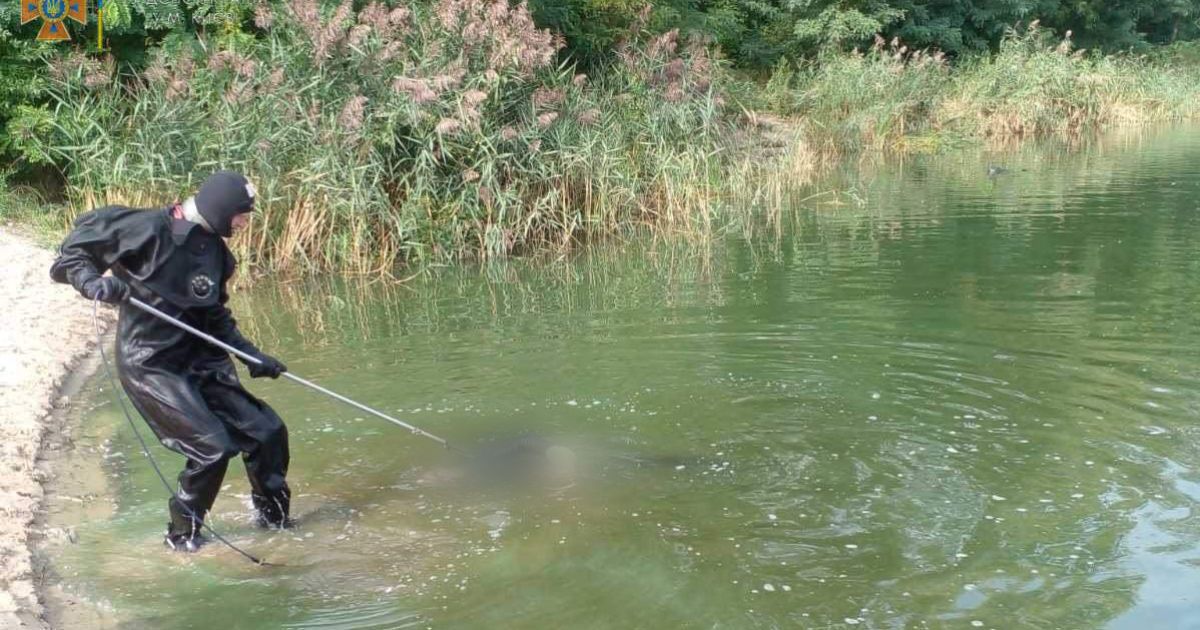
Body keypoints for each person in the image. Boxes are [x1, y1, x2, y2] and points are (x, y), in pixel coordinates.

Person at [50, 170, 292, 552]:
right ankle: (181, 537)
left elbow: (213, 318)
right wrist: (94, 283)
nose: (245, 222)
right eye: (242, 214)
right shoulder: (144, 228)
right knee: (212, 449)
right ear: (220, 208)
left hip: (200, 359)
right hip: (151, 362)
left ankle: (275, 523)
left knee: (267, 432)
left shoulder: (217, 254)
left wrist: (251, 355)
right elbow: (72, 255)